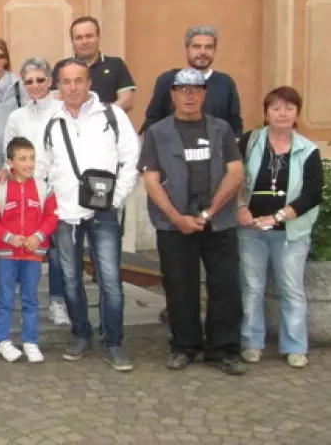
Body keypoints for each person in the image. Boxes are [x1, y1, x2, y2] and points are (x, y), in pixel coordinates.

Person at [141, 69, 246, 375]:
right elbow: (151, 180)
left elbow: (235, 172)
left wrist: (209, 212)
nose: (189, 95)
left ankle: (223, 350)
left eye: (196, 89)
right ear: (172, 94)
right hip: (174, 224)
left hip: (220, 220)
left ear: (204, 94)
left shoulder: (221, 129)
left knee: (225, 287)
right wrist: (177, 218)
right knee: (179, 287)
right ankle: (184, 346)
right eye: (182, 89)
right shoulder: (157, 132)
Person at [38, 59, 140, 371]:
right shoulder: (51, 120)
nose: (72, 87)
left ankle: (113, 342)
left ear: (89, 82)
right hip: (66, 212)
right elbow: (42, 167)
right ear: (59, 85)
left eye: (78, 80)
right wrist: (49, 204)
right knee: (70, 279)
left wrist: (117, 197)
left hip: (104, 212)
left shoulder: (112, 115)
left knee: (110, 278)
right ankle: (80, 335)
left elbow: (130, 157)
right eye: (66, 81)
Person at [238, 86, 323, 370]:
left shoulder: (308, 150)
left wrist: (277, 217)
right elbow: (233, 177)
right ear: (266, 112)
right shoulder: (249, 142)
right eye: (275, 107)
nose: (282, 113)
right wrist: (240, 207)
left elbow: (312, 194)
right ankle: (251, 342)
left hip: (290, 232)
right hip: (251, 229)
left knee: (291, 289)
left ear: (297, 113)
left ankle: (295, 346)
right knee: (251, 287)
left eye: (288, 108)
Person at [2, 57, 69, 326]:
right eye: (29, 81)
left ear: (50, 81)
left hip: (59, 187)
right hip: (27, 190)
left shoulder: (63, 110)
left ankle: (57, 301)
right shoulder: (17, 116)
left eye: (40, 80)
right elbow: (8, 151)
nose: (35, 85)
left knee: (58, 250)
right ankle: (24, 298)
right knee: (27, 244)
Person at [0, 137, 58, 364]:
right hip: (7, 255)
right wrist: (9, 237)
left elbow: (52, 216)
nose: (29, 164)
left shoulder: (44, 187)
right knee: (5, 298)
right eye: (22, 159)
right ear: (10, 162)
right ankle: (2, 339)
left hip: (33, 255)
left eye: (32, 158)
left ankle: (30, 341)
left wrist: (38, 236)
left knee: (30, 299)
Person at [142, 25, 243, 135]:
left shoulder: (225, 83)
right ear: (187, 49)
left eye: (208, 47)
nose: (203, 52)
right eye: (196, 47)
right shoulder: (168, 80)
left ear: (215, 50)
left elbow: (235, 125)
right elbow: (153, 120)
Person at [52, 16, 137, 111]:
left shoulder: (116, 65)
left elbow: (127, 100)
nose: (84, 42)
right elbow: (55, 101)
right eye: (79, 38)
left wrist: (102, 116)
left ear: (98, 37)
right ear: (72, 41)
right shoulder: (62, 67)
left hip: (107, 122)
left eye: (89, 36)